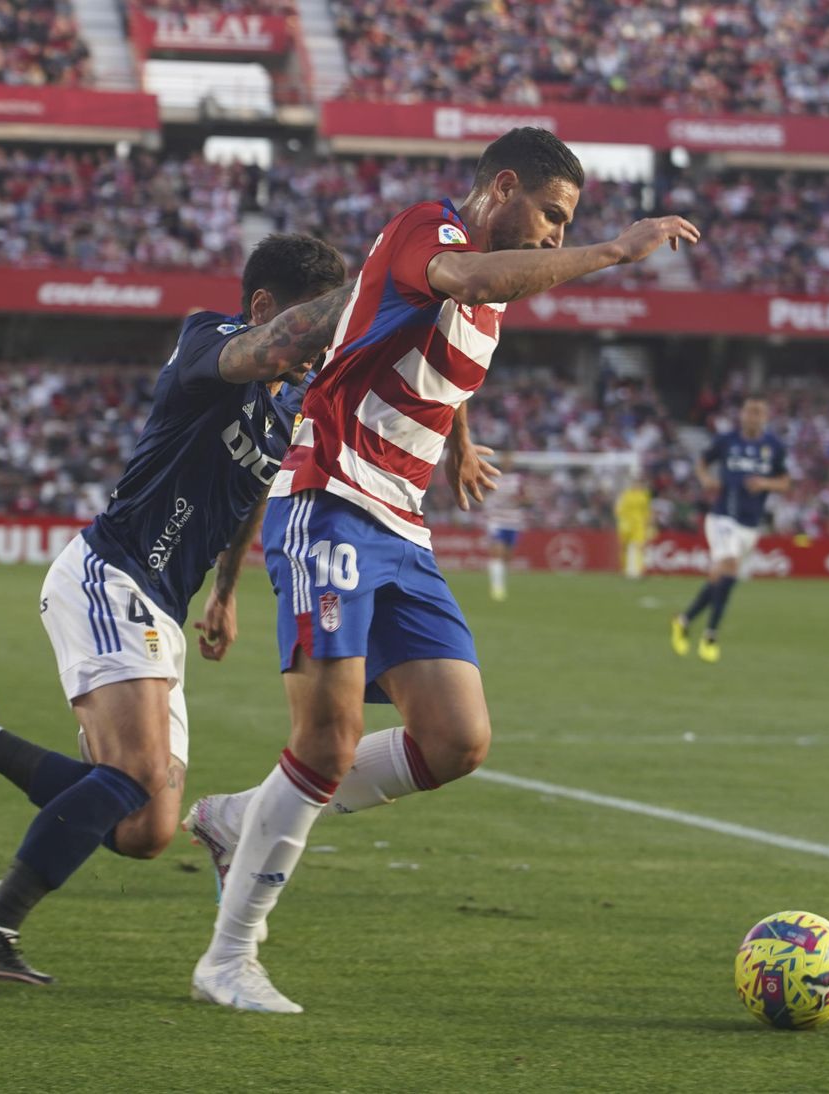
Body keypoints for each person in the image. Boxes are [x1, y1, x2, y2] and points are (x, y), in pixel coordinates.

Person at [186, 127, 700, 1013]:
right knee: (326, 739)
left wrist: (459, 442)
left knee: (457, 738)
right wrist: (614, 252)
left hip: (400, 522)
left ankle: (241, 816)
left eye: (567, 224)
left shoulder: (487, 288)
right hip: (331, 496)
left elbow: (436, 340)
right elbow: (460, 281)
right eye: (551, 214)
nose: (555, 234)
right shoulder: (429, 230)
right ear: (502, 187)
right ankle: (228, 958)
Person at [0, 235, 350, 985]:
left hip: (163, 606)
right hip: (110, 574)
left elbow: (252, 489)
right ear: (263, 308)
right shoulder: (209, 340)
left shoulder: (289, 405)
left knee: (144, 828)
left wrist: (224, 590)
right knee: (139, 771)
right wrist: (380, 285)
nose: (318, 344)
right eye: (312, 320)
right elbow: (272, 348)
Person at [671, 396, 789, 663]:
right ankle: (710, 636)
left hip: (750, 524)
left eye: (758, 412)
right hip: (723, 517)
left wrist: (765, 484)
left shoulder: (774, 447)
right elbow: (702, 462)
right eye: (749, 411)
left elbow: (785, 482)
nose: (752, 417)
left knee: (723, 576)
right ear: (742, 415)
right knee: (730, 565)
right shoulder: (727, 441)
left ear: (765, 417)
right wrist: (705, 479)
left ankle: (684, 620)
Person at [485, 453, 525, 600]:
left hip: (513, 521)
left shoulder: (518, 479)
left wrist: (519, 499)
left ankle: (501, 583)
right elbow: (484, 494)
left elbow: (526, 498)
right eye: (505, 460)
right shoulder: (493, 477)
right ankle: (497, 587)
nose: (508, 463)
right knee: (498, 552)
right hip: (496, 520)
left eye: (510, 460)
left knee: (508, 556)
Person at [615, 471, 652, 579]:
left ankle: (640, 570)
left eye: (639, 483)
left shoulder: (644, 495)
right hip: (626, 524)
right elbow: (618, 509)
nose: (637, 485)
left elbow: (647, 510)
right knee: (624, 547)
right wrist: (622, 520)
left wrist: (648, 523)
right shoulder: (625, 494)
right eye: (636, 482)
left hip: (639, 524)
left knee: (640, 546)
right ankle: (624, 568)